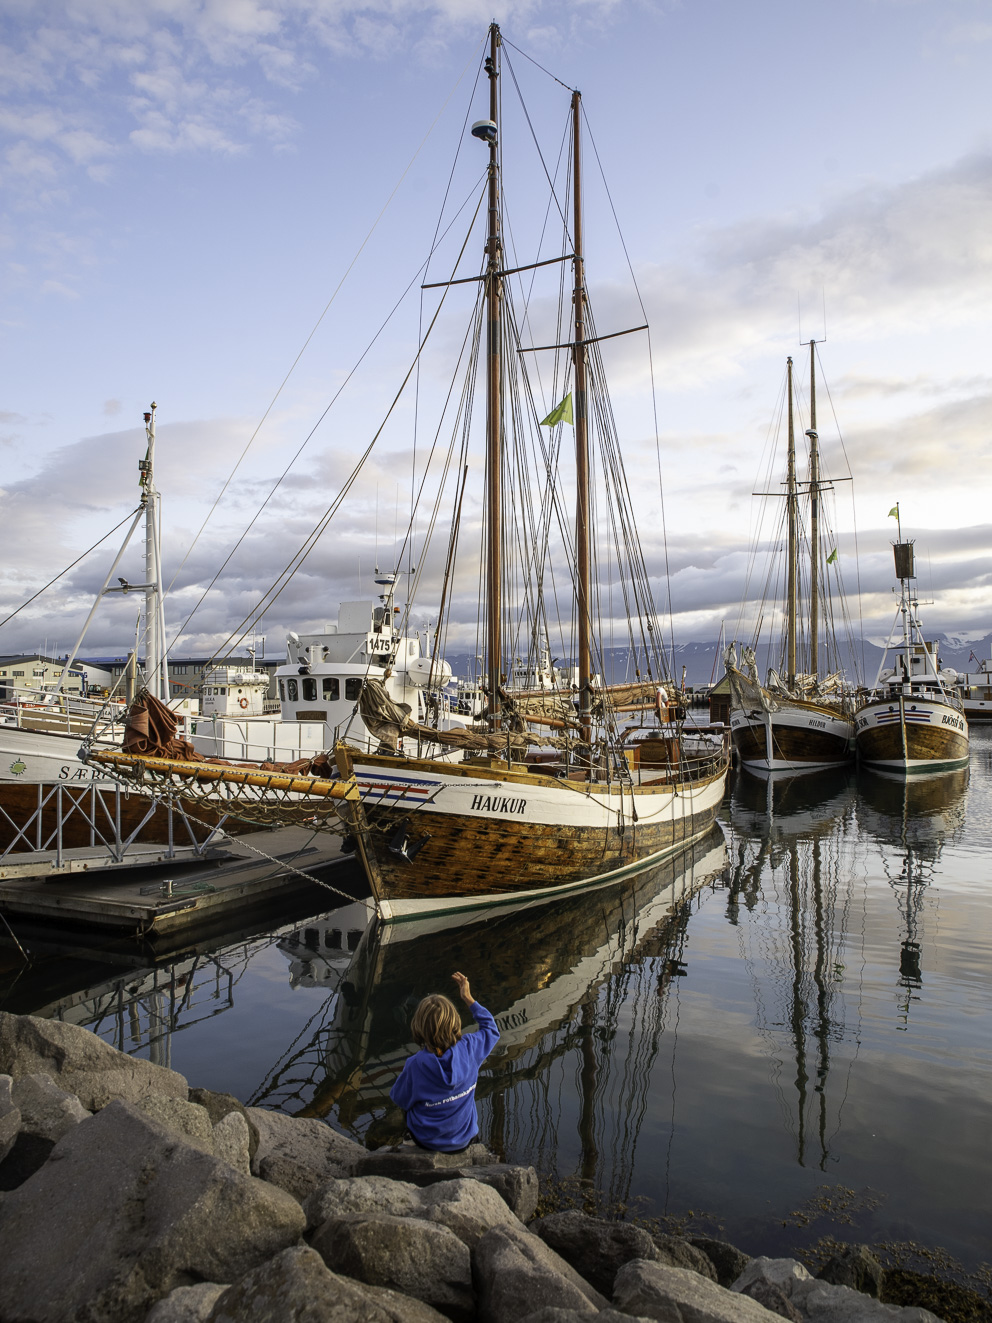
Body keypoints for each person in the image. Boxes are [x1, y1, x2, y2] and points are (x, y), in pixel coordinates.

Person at [390, 971, 499, 1152]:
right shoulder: (470, 1048)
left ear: (418, 1027)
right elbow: (491, 1029)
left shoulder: (415, 1065)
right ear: (455, 1021)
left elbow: (400, 1099)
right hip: (464, 1140)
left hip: (427, 1141)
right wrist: (468, 998)